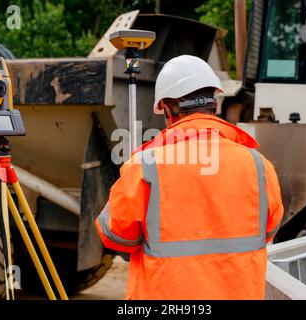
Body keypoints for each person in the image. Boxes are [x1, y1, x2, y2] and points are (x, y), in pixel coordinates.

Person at [95, 55, 284, 300]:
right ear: (214, 105)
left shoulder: (146, 165)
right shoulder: (259, 165)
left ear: (167, 107)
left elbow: (116, 235)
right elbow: (268, 230)